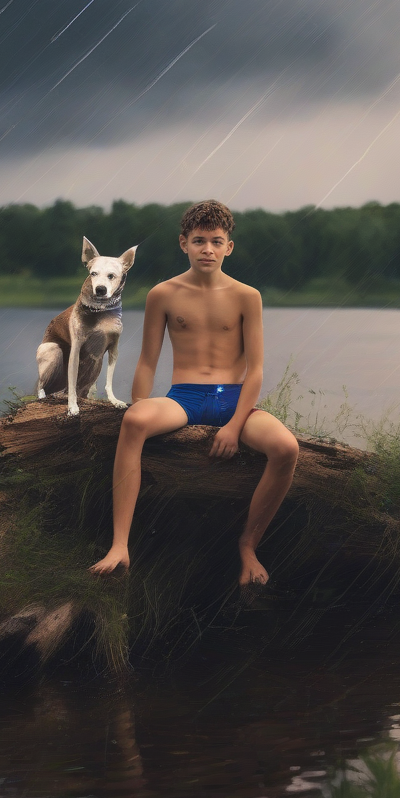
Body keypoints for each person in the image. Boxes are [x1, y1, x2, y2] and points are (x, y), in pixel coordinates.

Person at [89, 199, 299, 587]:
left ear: (228, 247)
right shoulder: (163, 294)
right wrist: (140, 405)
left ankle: (248, 545)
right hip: (184, 397)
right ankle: (120, 545)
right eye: (199, 240)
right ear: (183, 243)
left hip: (235, 399)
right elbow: (148, 361)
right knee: (135, 421)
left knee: (286, 448)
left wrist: (235, 427)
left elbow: (257, 370)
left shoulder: (246, 296)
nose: (208, 249)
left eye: (216, 241)